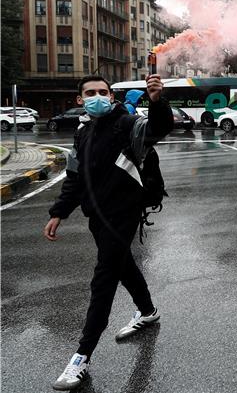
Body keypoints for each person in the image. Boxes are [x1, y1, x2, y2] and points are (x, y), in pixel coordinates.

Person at [45, 74, 173, 391]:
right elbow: (75, 178)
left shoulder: (127, 123)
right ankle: (148, 311)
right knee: (122, 265)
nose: (98, 96)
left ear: (112, 97)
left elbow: (157, 130)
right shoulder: (83, 132)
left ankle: (81, 357)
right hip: (97, 215)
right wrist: (59, 212)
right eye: (91, 93)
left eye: (104, 92)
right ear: (80, 99)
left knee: (103, 278)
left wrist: (157, 101)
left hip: (124, 213)